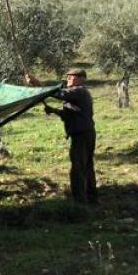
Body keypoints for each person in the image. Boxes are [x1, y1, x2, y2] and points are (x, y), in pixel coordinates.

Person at [30, 68, 97, 204]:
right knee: (86, 166)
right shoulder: (76, 93)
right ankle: (91, 197)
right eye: (67, 77)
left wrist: (39, 84)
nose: (68, 79)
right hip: (85, 133)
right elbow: (70, 114)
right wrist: (54, 110)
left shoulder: (79, 91)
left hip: (81, 136)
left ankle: (80, 201)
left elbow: (60, 94)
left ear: (81, 78)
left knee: (78, 168)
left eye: (71, 77)